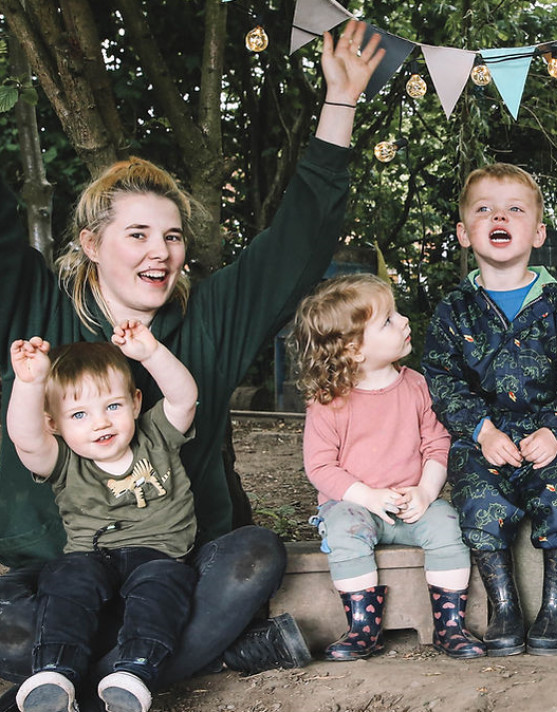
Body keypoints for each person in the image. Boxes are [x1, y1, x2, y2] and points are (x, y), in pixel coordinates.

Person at [0, 19, 385, 707]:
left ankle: (77, 681)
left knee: (254, 556)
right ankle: (184, 659)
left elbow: (297, 237)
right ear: (91, 242)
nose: (161, 251)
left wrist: (342, 102)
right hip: (53, 574)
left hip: (173, 568)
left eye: (172, 236)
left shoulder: (209, 317)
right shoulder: (34, 305)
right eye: (138, 234)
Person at [422, 163, 557, 657]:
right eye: (484, 209)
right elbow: (442, 377)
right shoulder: (454, 309)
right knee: (478, 499)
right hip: (485, 438)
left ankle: (554, 607)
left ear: (538, 232)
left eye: (515, 209)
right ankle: (504, 607)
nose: (499, 216)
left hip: (548, 435)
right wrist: (480, 431)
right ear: (464, 232)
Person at [291, 274, 485, 662]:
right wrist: (367, 496)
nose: (404, 321)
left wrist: (427, 492)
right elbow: (320, 465)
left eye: (396, 314)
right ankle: (362, 628)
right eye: (388, 320)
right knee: (345, 529)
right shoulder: (330, 401)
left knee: (448, 522)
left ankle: (450, 625)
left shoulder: (416, 386)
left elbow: (437, 443)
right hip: (355, 505)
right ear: (354, 350)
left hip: (410, 504)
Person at [8, 322, 197, 712]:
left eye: (112, 406)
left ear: (135, 402)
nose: (101, 422)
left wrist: (151, 353)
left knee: (164, 587)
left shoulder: (157, 435)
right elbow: (25, 438)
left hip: (159, 555)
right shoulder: (62, 461)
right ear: (53, 425)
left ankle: (132, 675)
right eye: (78, 414)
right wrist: (29, 384)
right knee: (65, 579)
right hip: (90, 557)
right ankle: (55, 674)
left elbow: (184, 399)